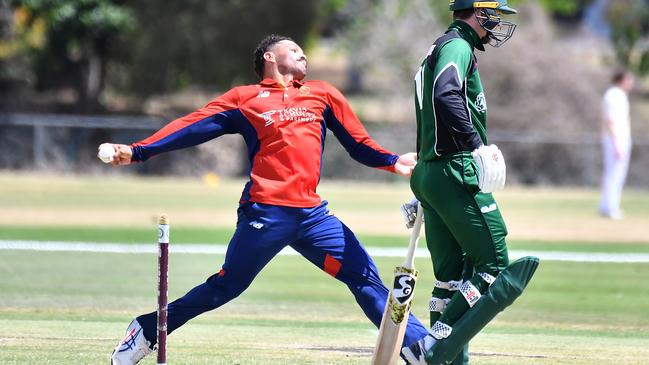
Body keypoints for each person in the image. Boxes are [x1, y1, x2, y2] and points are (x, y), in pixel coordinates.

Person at [105, 34, 430, 364]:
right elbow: (192, 125)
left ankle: (419, 347)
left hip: (313, 216)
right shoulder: (245, 98)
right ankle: (145, 330)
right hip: (266, 213)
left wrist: (393, 161)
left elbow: (358, 143)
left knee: (364, 278)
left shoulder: (323, 94)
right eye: (294, 49)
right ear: (270, 58)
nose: (303, 54)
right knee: (226, 287)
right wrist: (138, 151)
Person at [401, 1, 523, 364]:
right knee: (493, 264)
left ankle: (447, 359)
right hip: (453, 168)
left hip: (432, 171)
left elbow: (429, 116)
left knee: (450, 278)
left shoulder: (436, 49)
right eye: (494, 14)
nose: (497, 22)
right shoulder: (457, 45)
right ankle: (432, 344)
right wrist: (476, 148)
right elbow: (446, 94)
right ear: (478, 12)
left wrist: (428, 182)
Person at [599, 69, 634, 220]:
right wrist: (617, 142)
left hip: (621, 138)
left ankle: (608, 205)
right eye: (629, 80)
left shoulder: (621, 95)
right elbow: (610, 120)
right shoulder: (613, 95)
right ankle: (610, 207)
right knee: (614, 173)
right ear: (621, 80)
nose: (631, 83)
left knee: (617, 174)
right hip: (615, 139)